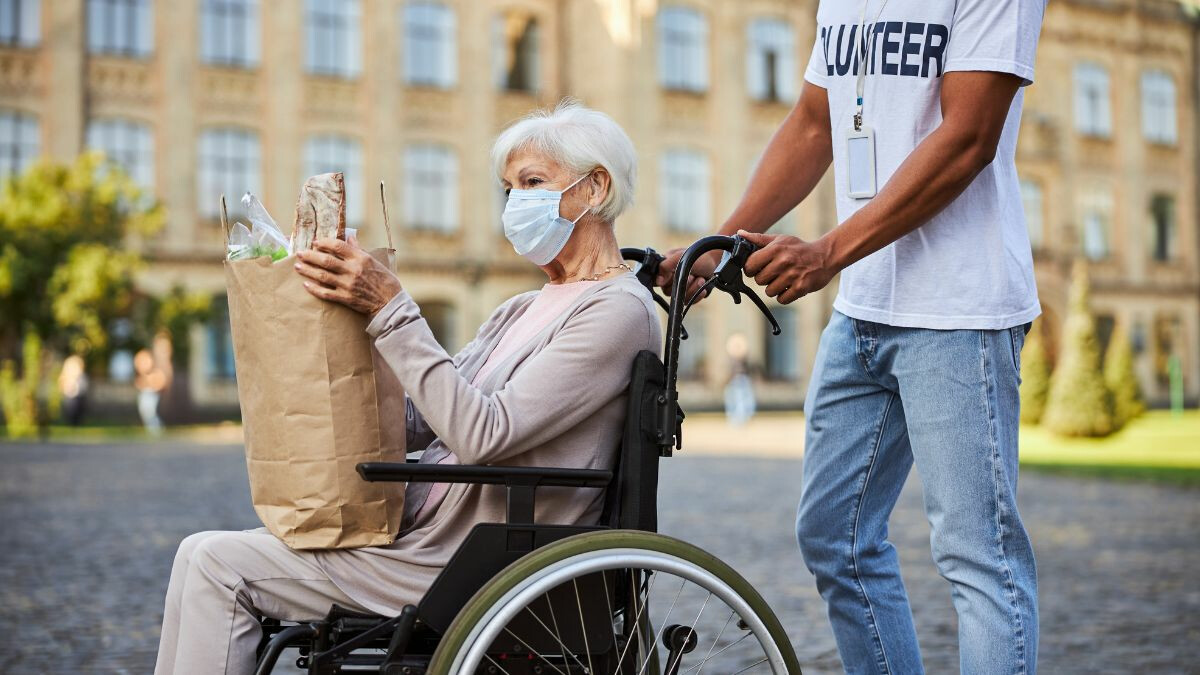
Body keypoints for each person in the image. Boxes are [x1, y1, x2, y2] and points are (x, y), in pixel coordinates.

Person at [154, 101, 660, 675]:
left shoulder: (617, 312)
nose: (517, 202)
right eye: (510, 188)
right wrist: (339, 331)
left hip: (480, 559)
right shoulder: (522, 306)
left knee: (216, 564)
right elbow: (422, 418)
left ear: (595, 188)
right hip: (430, 538)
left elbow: (482, 433)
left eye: (533, 182)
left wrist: (392, 309)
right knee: (199, 551)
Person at [658, 2, 1046, 673]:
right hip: (864, 308)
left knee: (979, 556)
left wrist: (828, 252)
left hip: (959, 310)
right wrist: (715, 247)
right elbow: (815, 123)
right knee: (834, 535)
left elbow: (970, 137)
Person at [134, 349, 167, 435]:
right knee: (145, 412)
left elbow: (160, 383)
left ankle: (156, 429)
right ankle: (152, 429)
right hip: (145, 395)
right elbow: (138, 384)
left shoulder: (155, 373)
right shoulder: (142, 376)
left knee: (150, 413)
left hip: (151, 395)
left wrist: (152, 385)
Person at [58, 354, 89, 427]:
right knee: (71, 410)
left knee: (78, 411)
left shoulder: (82, 376)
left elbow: (84, 386)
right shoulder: (67, 376)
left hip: (79, 396)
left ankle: (77, 423)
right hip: (70, 396)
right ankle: (71, 423)